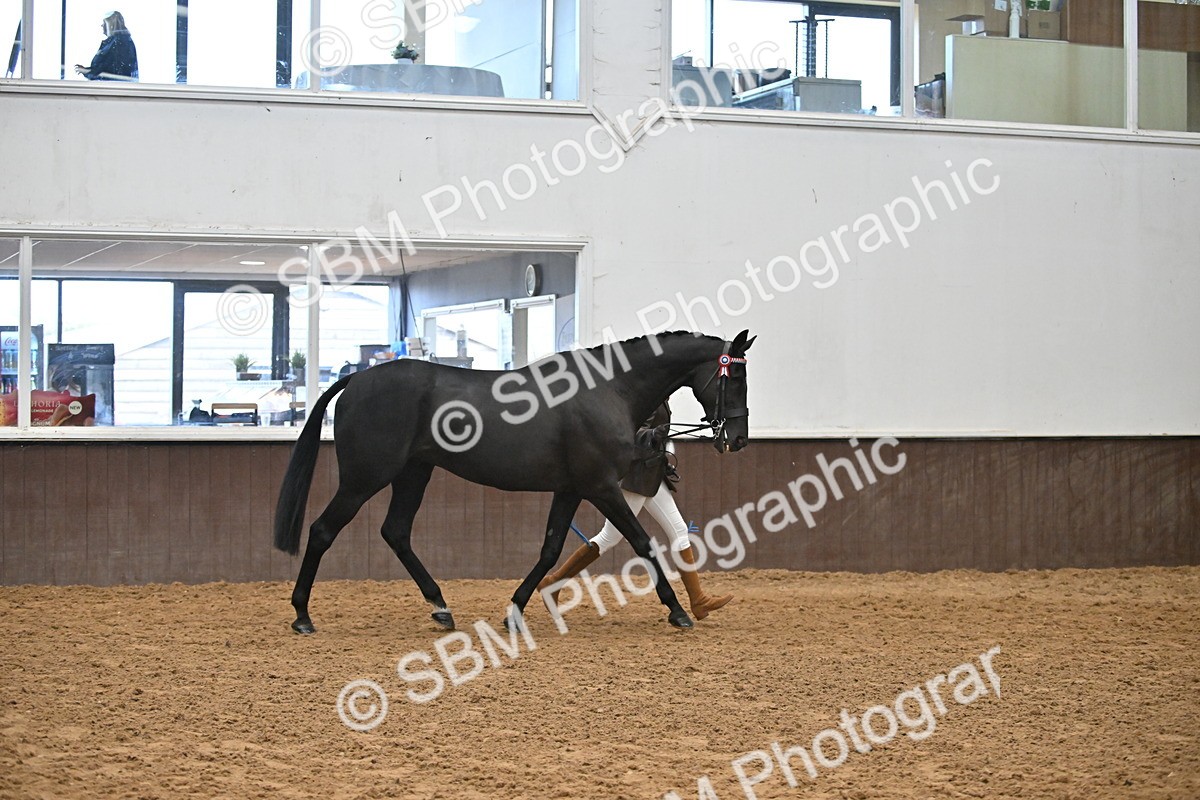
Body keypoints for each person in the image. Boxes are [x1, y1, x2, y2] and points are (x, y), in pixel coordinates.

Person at [537, 401, 733, 620]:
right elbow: (630, 430)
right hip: (637, 476)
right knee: (609, 536)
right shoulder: (649, 393)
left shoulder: (662, 394)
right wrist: (650, 435)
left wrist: (660, 454)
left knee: (678, 530)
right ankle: (553, 582)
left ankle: (698, 600)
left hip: (652, 472)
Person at [74, 11, 138, 81]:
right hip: (111, 86)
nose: (102, 25)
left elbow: (108, 69)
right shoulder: (114, 42)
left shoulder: (120, 43)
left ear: (110, 25)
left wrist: (88, 72)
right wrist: (87, 71)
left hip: (113, 88)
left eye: (104, 23)